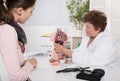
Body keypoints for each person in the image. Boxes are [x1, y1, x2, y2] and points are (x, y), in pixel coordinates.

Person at [54, 10, 119, 67]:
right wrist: (66, 54)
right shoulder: (88, 36)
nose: (85, 30)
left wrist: (67, 52)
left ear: (98, 28)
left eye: (88, 27)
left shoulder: (108, 41)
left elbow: (93, 62)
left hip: (107, 74)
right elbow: (80, 51)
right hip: (87, 71)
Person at [0, 0, 37, 81]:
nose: (31, 15)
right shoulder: (7, 30)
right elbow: (16, 77)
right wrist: (30, 64)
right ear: (20, 11)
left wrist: (23, 63)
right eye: (31, 11)